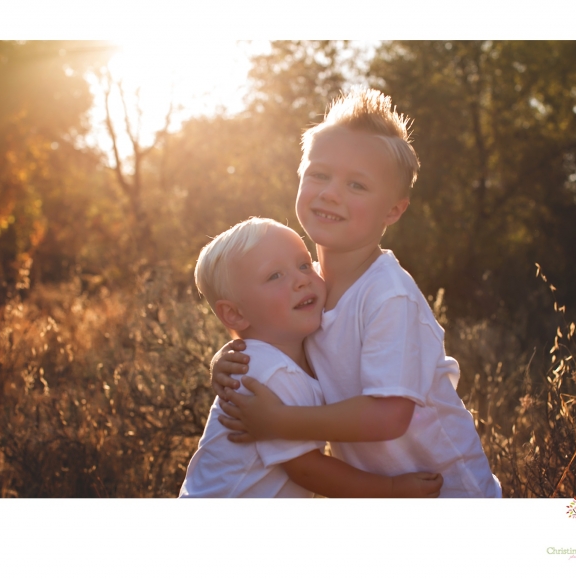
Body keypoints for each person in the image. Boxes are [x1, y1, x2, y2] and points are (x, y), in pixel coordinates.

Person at [212, 89, 502, 498]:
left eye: (356, 184)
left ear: (393, 211)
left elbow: (388, 416)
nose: (331, 193)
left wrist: (278, 423)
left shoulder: (388, 296)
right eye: (319, 175)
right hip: (382, 490)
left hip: (446, 489)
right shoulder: (307, 288)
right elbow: (271, 337)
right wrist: (227, 359)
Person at [179, 217, 443, 497]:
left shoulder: (295, 351)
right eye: (275, 276)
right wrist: (390, 489)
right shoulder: (267, 373)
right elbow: (307, 471)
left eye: (304, 265)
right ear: (234, 314)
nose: (302, 279)